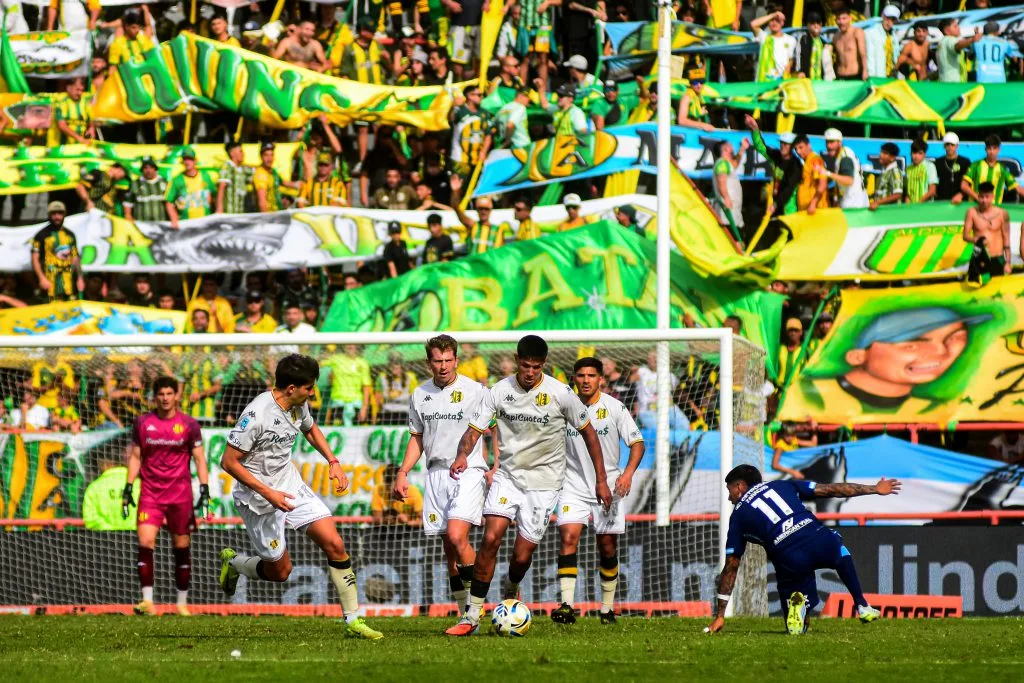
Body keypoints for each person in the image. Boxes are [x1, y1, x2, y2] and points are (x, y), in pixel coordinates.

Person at [445, 335, 610, 636]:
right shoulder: (499, 391)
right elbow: (473, 431)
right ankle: (471, 616)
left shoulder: (561, 393)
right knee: (490, 538)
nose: (530, 371)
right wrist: (461, 455)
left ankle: (512, 587)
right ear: (517, 361)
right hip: (508, 477)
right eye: (525, 366)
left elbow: (590, 435)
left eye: (536, 367)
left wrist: (601, 480)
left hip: (544, 485)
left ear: (543, 365)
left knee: (521, 556)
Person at [217, 354, 383, 639]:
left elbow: (310, 429)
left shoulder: (298, 404)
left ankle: (354, 620)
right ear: (291, 388)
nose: (313, 393)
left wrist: (333, 461)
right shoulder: (256, 416)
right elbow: (228, 462)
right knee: (281, 572)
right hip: (258, 498)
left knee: (335, 543)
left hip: (290, 486)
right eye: (309, 388)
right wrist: (269, 493)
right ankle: (234, 564)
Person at [706, 465, 897, 634]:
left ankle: (799, 607)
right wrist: (874, 489)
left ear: (740, 487)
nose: (729, 496)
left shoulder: (737, 516)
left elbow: (731, 565)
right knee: (840, 551)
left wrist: (720, 614)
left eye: (729, 489)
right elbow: (831, 490)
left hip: (787, 557)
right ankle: (862, 605)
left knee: (796, 629)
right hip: (815, 538)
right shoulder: (782, 485)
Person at [393, 335, 490, 605]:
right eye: (438, 361)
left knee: (459, 537)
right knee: (450, 552)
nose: (444, 366)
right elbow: (417, 438)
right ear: (429, 363)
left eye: (449, 360)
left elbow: (498, 429)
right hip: (436, 474)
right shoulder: (420, 394)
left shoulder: (476, 391)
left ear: (457, 360)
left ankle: (476, 609)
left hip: (468, 471)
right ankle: (465, 613)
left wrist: (497, 466)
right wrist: (402, 472)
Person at [551, 357, 644, 625]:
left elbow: (637, 443)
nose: (586, 380)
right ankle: (567, 605)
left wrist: (626, 475)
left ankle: (606, 608)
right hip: (573, 485)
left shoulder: (614, 408)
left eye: (591, 376)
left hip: (609, 487)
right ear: (574, 378)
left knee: (607, 547)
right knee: (568, 537)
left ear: (600, 379)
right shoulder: (564, 407)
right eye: (581, 375)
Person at [121, 376, 208, 616]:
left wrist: (204, 489)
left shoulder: (189, 424)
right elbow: (136, 456)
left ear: (177, 395)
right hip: (150, 492)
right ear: (155, 396)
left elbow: (200, 458)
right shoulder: (143, 423)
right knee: (145, 542)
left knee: (181, 546)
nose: (165, 398)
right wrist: (128, 487)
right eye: (161, 394)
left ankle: (182, 602)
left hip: (180, 494)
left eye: (170, 393)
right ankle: (148, 602)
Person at [339, 16, 388, 182]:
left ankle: (378, 157)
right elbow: (344, 73)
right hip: (359, 94)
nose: (373, 33)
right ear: (362, 31)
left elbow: (385, 66)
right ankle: (362, 160)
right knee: (362, 128)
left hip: (377, 93)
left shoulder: (377, 46)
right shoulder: (349, 49)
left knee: (379, 126)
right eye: (370, 30)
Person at [32, 201, 83, 302]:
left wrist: (80, 278)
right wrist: (41, 278)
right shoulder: (41, 235)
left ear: (64, 214)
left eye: (60, 213)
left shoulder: (70, 234)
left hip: (69, 284)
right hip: (49, 283)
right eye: (54, 213)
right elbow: (35, 259)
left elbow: (75, 257)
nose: (57, 217)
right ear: (49, 215)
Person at [963, 182, 1012, 286]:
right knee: (980, 286)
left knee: (997, 287)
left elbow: (1006, 238)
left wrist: (1008, 262)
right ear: (978, 195)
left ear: (992, 197)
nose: (984, 200)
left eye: (987, 197)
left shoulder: (1002, 213)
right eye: (981, 197)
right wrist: (976, 239)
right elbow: (965, 236)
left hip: (998, 258)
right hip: (981, 258)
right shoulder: (971, 212)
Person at [962, 134, 1024, 205]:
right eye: (989, 148)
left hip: (994, 211)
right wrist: (977, 197)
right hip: (976, 208)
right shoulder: (976, 165)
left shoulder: (1002, 169)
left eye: (994, 148)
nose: (992, 152)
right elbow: (964, 185)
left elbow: (1017, 188)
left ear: (998, 150)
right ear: (985, 149)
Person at [450, 174, 505, 254]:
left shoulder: (498, 230)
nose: (483, 212)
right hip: (473, 266)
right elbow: (456, 208)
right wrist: (456, 191)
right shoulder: (473, 226)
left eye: (486, 209)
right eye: (480, 209)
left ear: (490, 210)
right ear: (477, 210)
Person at [83, 455, 138, 531]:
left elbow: (90, 519)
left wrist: (110, 530)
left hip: (105, 539)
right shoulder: (140, 484)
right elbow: (149, 513)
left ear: (102, 463)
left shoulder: (94, 488)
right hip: (138, 538)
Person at [165, 147, 216, 228]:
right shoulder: (176, 180)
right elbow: (169, 202)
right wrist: (174, 219)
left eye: (190, 159)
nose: (187, 162)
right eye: (185, 159)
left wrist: (216, 215)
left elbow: (214, 196)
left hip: (206, 222)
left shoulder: (205, 176)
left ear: (195, 161)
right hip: (186, 224)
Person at [324, 345, 372, 426]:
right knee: (336, 433)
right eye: (348, 343)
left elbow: (366, 387)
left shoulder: (363, 363)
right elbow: (318, 363)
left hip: (356, 403)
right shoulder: (336, 359)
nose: (350, 345)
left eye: (353, 343)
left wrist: (364, 407)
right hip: (338, 402)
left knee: (356, 435)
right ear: (344, 346)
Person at [450, 84, 490, 179]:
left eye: (482, 95)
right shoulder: (460, 111)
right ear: (469, 96)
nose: (481, 97)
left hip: (478, 159)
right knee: (458, 186)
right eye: (478, 95)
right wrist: (453, 106)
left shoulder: (484, 113)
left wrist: (484, 152)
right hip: (460, 158)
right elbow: (450, 119)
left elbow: (488, 135)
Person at [823, 128, 868, 209]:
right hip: (851, 201)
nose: (829, 146)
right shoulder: (841, 154)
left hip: (853, 204)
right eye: (827, 142)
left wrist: (827, 173)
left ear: (839, 142)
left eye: (832, 142)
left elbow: (849, 180)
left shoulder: (845, 157)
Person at [750, 10, 797, 82]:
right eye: (772, 20)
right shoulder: (764, 36)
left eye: (777, 21)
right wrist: (773, 14)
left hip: (781, 80)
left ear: (782, 22)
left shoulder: (791, 40)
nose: (774, 23)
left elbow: (791, 59)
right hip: (763, 80)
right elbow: (753, 24)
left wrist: (789, 66)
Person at [254, 142, 300, 213]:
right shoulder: (261, 175)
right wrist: (265, 220)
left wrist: (300, 184)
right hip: (269, 216)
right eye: (266, 155)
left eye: (271, 155)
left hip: (276, 214)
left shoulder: (273, 171)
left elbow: (284, 183)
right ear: (261, 157)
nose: (269, 159)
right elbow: (262, 202)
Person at [712, 139, 748, 231]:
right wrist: (726, 198)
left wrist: (742, 148)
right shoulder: (722, 163)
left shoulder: (727, 164)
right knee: (733, 240)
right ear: (725, 149)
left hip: (733, 211)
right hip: (727, 212)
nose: (732, 147)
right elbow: (721, 180)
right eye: (730, 145)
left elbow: (734, 164)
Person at [48, 77, 93, 147]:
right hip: (59, 148)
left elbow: (92, 119)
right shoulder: (59, 102)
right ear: (68, 88)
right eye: (77, 89)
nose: (79, 93)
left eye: (82, 90)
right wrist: (79, 138)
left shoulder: (85, 101)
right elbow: (61, 125)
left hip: (80, 146)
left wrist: (91, 128)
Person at [124, 157, 168, 223]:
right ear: (142, 170)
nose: (148, 170)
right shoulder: (135, 184)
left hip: (161, 224)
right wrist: (128, 216)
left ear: (155, 169)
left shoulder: (165, 183)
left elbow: (171, 204)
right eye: (145, 168)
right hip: (141, 225)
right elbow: (127, 203)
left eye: (151, 167)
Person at [937, 18, 981, 83]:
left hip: (945, 81)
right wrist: (972, 39)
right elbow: (957, 45)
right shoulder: (950, 39)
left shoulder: (942, 42)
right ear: (946, 30)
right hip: (953, 84)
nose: (958, 28)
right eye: (955, 26)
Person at [792, 135, 828, 215]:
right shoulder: (807, 161)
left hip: (815, 210)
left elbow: (822, 184)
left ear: (809, 145)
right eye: (796, 149)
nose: (798, 151)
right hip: (807, 209)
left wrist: (813, 204)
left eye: (801, 147)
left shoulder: (815, 160)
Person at [216, 141, 253, 214]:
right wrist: (219, 209)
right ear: (232, 153)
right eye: (240, 151)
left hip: (240, 213)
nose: (243, 154)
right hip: (230, 213)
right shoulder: (227, 167)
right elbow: (222, 186)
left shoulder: (242, 169)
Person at [865, 5, 900, 79]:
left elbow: (896, 56)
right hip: (876, 76)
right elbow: (869, 57)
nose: (889, 22)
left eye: (893, 20)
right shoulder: (871, 33)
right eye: (887, 18)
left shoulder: (894, 36)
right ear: (882, 16)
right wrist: (871, 77)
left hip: (891, 76)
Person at [831, 7, 866, 80]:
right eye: (838, 19)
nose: (841, 22)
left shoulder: (857, 32)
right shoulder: (835, 37)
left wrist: (865, 71)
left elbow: (863, 54)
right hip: (840, 75)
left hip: (855, 75)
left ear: (850, 18)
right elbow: (835, 58)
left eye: (844, 18)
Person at [677, 67, 714, 132]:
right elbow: (681, 120)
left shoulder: (700, 97)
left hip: (698, 132)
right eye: (695, 82)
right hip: (688, 133)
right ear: (690, 83)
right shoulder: (687, 97)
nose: (699, 85)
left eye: (701, 82)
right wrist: (703, 125)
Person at [936, 132, 969, 203]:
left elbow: (969, 183)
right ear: (944, 146)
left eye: (952, 144)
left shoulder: (965, 162)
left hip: (960, 201)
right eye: (947, 144)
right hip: (942, 201)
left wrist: (961, 194)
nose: (950, 147)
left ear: (957, 146)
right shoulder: (938, 162)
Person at [869, 142, 903, 211]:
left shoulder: (895, 171)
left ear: (892, 158)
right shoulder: (885, 171)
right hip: (881, 212)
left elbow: (898, 194)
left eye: (885, 153)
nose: (881, 155)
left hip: (890, 212)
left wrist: (877, 202)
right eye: (881, 152)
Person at [796, 13, 829, 80]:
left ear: (821, 25)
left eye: (818, 23)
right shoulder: (803, 39)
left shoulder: (824, 42)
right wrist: (800, 70)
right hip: (806, 78)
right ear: (807, 25)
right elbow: (798, 55)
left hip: (821, 79)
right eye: (812, 23)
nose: (816, 25)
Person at [905, 140, 938, 204]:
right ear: (910, 153)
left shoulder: (929, 166)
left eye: (920, 153)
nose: (916, 156)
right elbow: (908, 193)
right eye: (914, 153)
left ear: (924, 154)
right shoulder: (908, 168)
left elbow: (932, 191)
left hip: (925, 207)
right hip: (911, 208)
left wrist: (918, 203)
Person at [778, 318, 804, 387]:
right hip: (779, 389)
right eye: (790, 330)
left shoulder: (805, 351)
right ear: (786, 332)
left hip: (797, 391)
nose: (793, 333)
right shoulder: (779, 349)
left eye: (796, 330)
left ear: (801, 332)